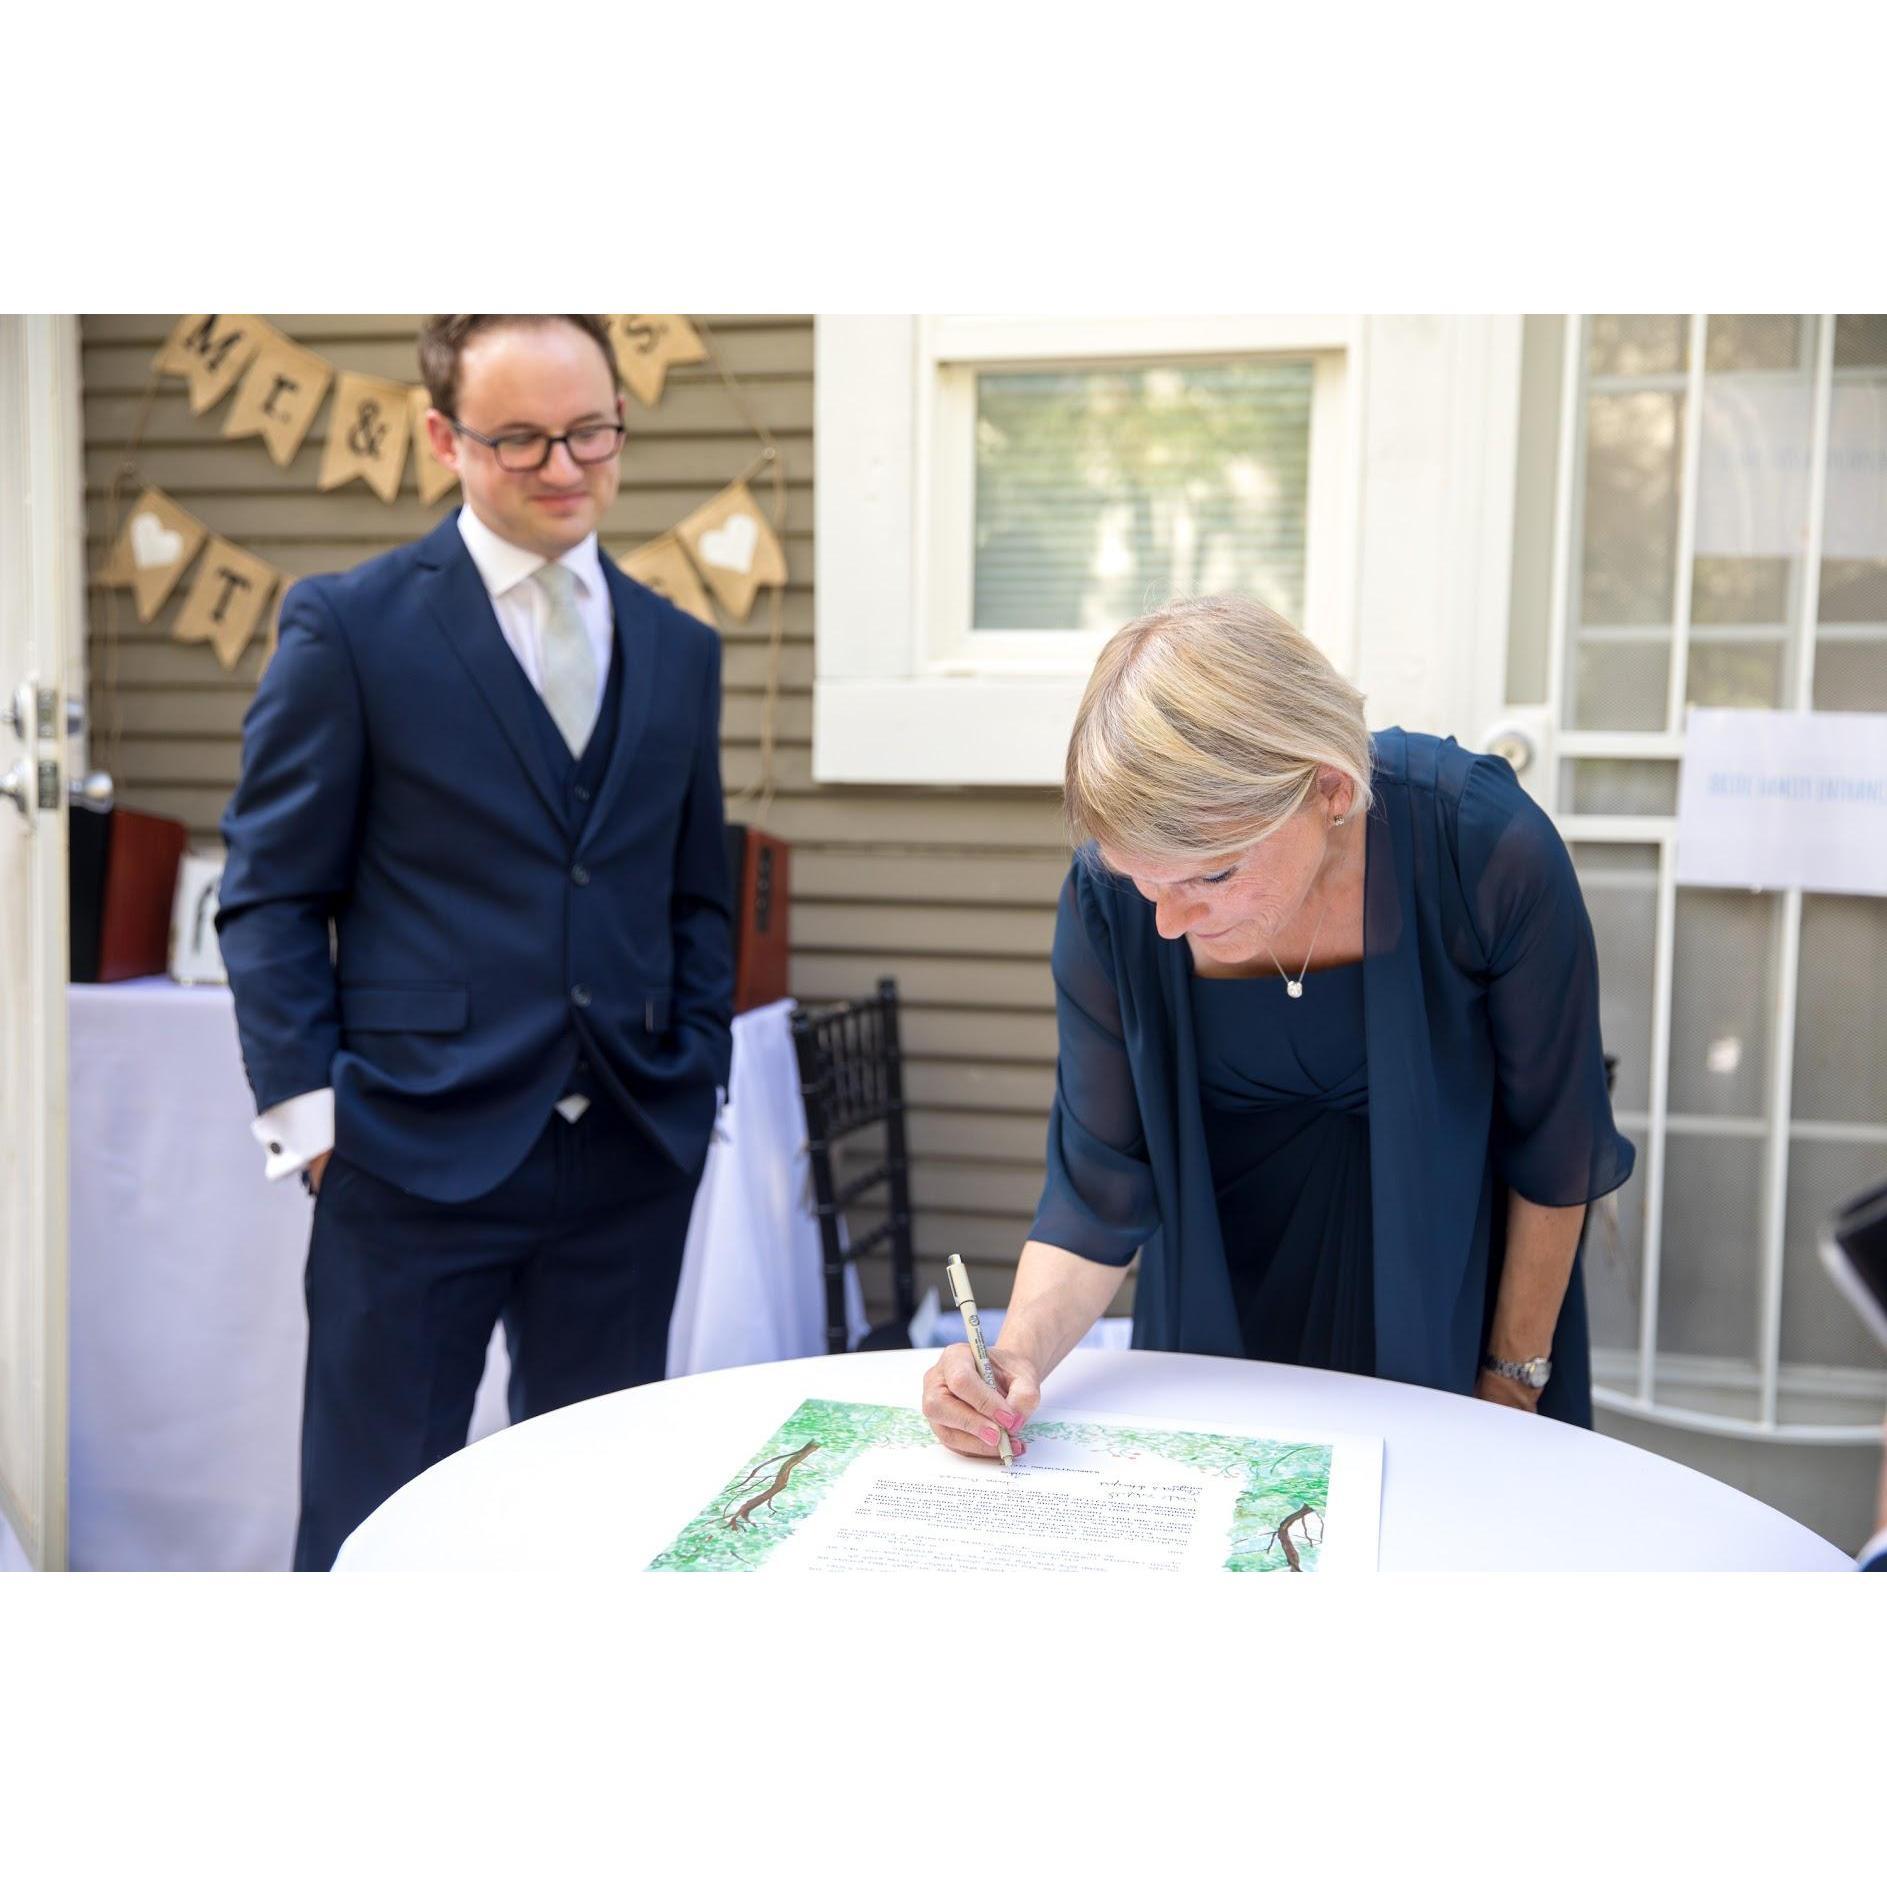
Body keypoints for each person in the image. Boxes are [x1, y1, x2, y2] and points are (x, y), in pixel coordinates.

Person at [218, 314, 733, 1569]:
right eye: (522, 440)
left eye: (593, 432)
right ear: (443, 436)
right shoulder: (349, 630)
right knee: (372, 1529)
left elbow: (696, 894)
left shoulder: (679, 646)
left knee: (595, 1529)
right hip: (408, 1161)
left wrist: (696, 1073)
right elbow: (271, 894)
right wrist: (317, 1131)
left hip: (625, 1154)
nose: (566, 467)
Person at [923, 594, 1632, 1461]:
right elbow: (1096, 1191)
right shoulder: (1113, 907)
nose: (1168, 924)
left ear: (1328, 789)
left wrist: (1508, 1385)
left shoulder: (1484, 852)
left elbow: (1554, 1153)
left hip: (1462, 1313)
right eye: (1143, 879)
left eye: (1210, 877)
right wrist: (1013, 1356)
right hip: (1218, 1323)